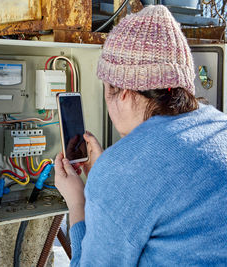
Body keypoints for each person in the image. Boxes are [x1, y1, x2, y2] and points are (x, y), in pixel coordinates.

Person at [54, 5, 227, 266]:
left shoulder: (120, 173)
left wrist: (78, 202)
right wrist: (110, 175)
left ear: (122, 91)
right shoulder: (219, 127)